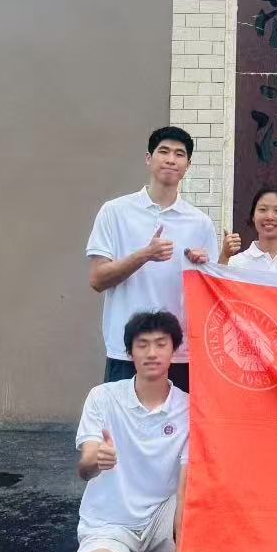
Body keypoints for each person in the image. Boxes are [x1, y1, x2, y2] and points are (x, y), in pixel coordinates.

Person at [72, 310, 239, 552]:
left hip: (164, 514)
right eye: (142, 344)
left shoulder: (190, 408)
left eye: (161, 344)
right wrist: (95, 460)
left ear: (173, 351)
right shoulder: (103, 397)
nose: (152, 353)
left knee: (220, 506)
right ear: (129, 352)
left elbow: (187, 488)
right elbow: (85, 468)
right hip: (111, 521)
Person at [86, 126, 218, 391]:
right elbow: (98, 279)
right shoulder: (115, 212)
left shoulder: (200, 222)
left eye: (179, 154)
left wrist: (203, 269)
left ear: (188, 166)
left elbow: (211, 296)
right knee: (121, 418)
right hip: (127, 349)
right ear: (149, 158)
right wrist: (145, 254)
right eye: (164, 152)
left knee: (177, 418)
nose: (171, 159)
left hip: (178, 351)